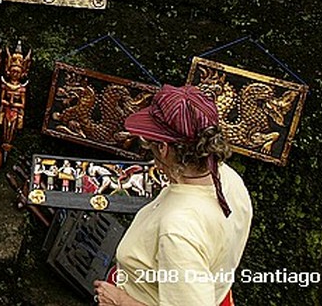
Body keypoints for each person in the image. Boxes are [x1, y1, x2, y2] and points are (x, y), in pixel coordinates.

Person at [94, 85, 253, 306]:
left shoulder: (178, 229)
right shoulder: (228, 177)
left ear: (163, 148)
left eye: (151, 144)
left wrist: (121, 300)